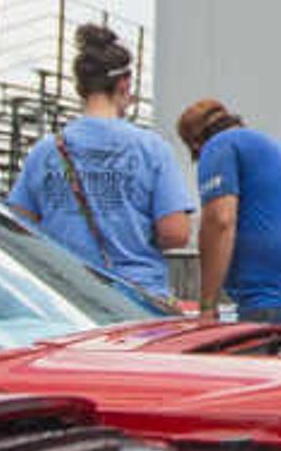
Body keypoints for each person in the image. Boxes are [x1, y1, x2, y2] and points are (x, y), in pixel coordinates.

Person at [10, 22, 194, 305]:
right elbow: (176, 233)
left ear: (81, 88)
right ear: (123, 85)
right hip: (136, 298)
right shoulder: (152, 148)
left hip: (65, 300)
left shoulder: (45, 151)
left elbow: (20, 225)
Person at [173, 97, 281, 334]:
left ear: (195, 144)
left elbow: (220, 221)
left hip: (276, 301)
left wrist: (207, 306)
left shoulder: (218, 146)